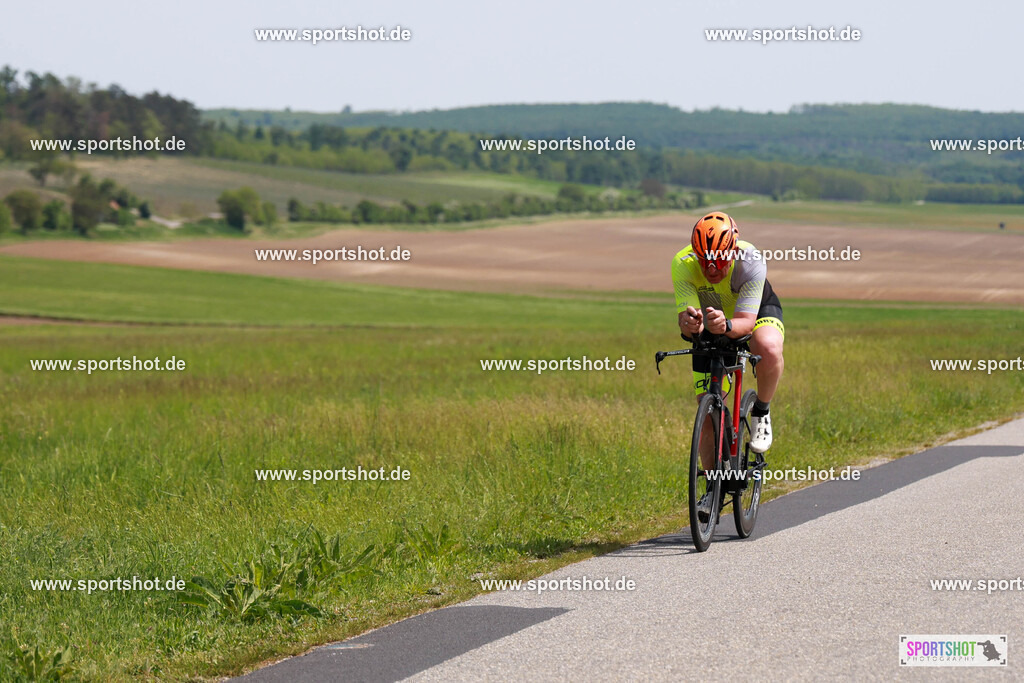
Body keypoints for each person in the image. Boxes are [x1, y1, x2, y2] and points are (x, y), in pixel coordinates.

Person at [671, 211, 785, 454]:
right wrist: (690, 325)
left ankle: (761, 412)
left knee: (767, 346)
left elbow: (746, 322)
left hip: (754, 313)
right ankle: (712, 478)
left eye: (720, 260)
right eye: (704, 261)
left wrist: (727, 326)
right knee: (707, 414)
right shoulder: (683, 263)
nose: (711, 270)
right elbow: (688, 322)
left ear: (733, 250)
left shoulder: (750, 260)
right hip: (713, 320)